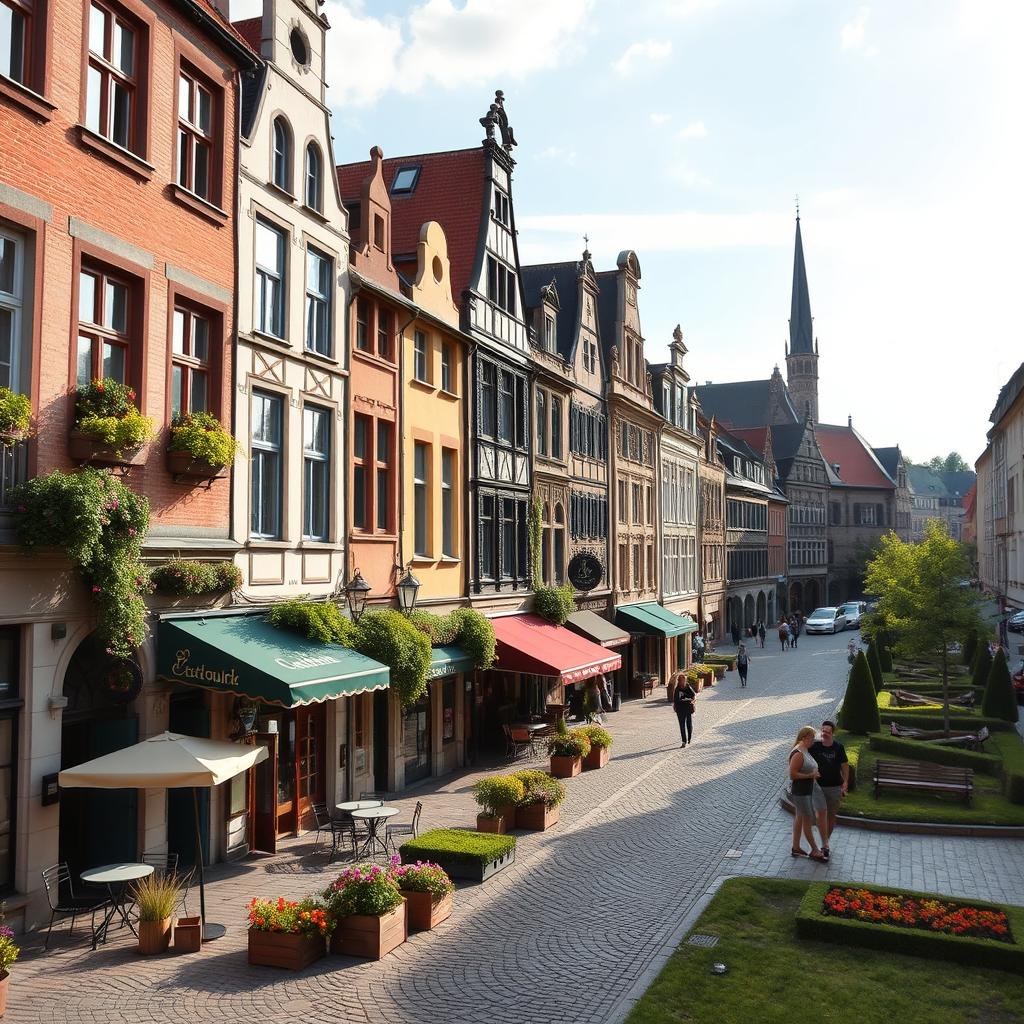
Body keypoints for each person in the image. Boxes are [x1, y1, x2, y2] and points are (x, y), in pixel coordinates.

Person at [788, 726, 828, 861]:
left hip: (806, 791)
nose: (813, 740)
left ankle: (796, 848)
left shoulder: (805, 749)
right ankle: (815, 850)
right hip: (801, 792)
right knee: (807, 820)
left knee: (800, 818)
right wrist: (811, 775)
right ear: (804, 737)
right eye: (812, 738)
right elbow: (792, 775)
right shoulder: (798, 753)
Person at [809, 720, 849, 855]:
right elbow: (802, 755)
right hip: (818, 787)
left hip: (834, 786)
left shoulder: (838, 747)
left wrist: (845, 782)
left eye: (827, 732)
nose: (824, 734)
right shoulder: (815, 746)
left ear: (833, 733)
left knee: (831, 815)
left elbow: (844, 765)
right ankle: (825, 844)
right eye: (823, 731)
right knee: (821, 814)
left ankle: (825, 841)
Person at [672, 672, 697, 748]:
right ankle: (684, 741)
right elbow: (675, 700)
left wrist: (693, 701)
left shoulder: (687, 686)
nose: (683, 681)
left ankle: (689, 738)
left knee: (689, 725)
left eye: (684, 680)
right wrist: (675, 706)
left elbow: (694, 695)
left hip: (688, 708)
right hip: (680, 710)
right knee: (682, 726)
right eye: (681, 680)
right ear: (679, 681)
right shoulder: (677, 689)